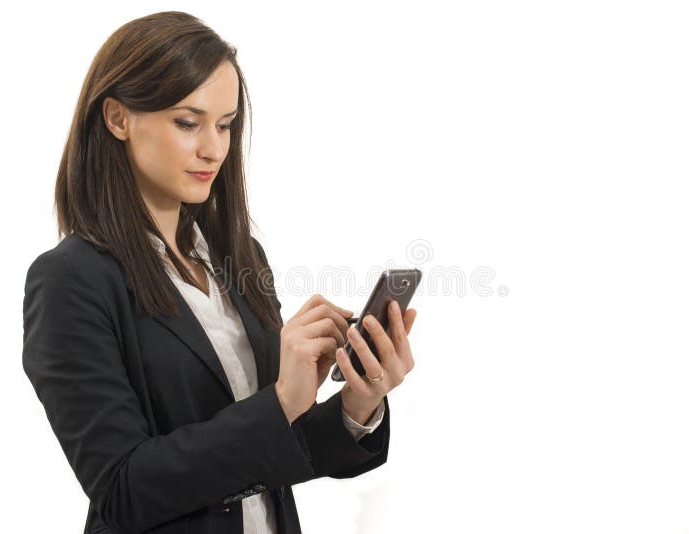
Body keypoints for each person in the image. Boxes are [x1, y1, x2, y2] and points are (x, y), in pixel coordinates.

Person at [21, 10, 417, 534]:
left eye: (226, 125)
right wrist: (279, 402)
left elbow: (276, 452)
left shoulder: (239, 256)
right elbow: (122, 489)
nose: (214, 148)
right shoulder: (70, 280)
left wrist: (357, 403)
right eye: (188, 123)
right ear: (117, 118)